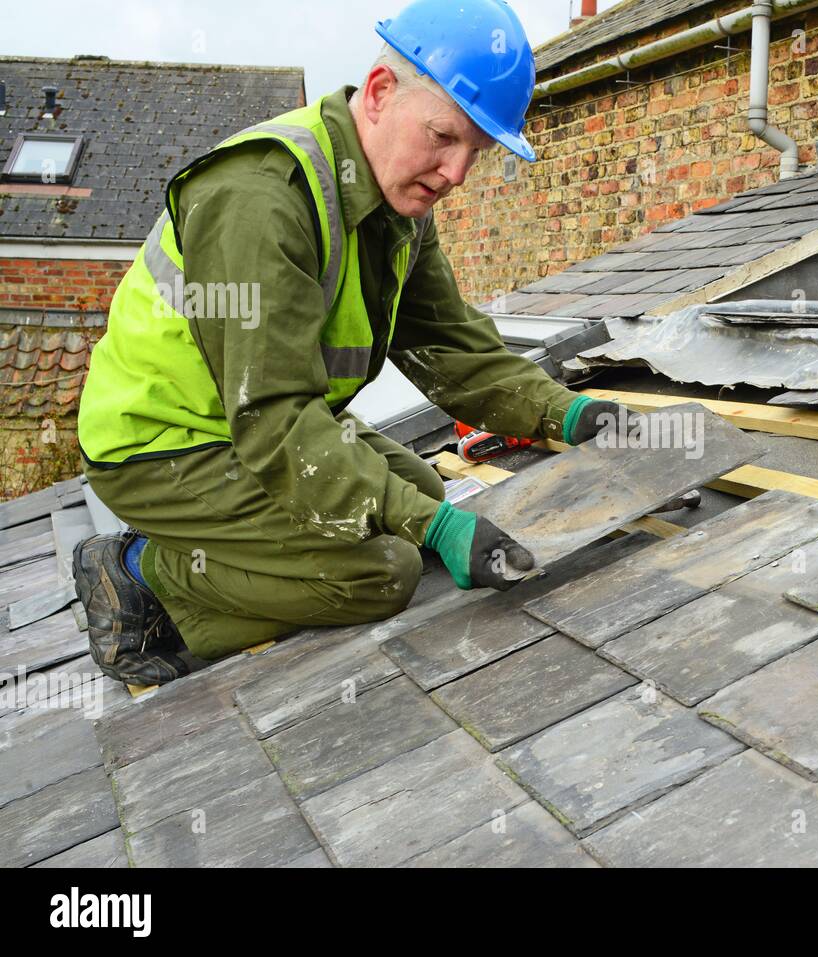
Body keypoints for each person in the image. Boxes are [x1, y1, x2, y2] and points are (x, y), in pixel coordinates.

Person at [72, 0, 633, 685]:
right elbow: (275, 424)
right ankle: (143, 576)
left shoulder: (395, 204)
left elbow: (448, 347)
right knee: (380, 572)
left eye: (475, 153)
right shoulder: (262, 199)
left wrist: (570, 413)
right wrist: (433, 529)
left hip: (252, 424)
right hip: (163, 447)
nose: (456, 173)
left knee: (423, 487)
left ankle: (220, 553)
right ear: (378, 93)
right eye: (442, 137)